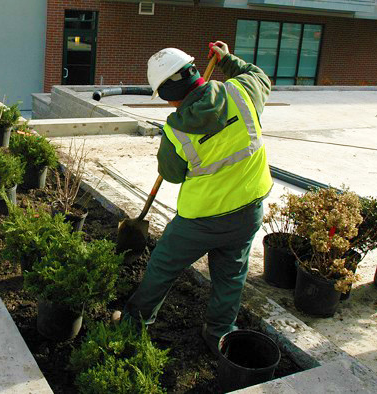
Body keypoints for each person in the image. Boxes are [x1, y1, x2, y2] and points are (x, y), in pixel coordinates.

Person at [117, 41, 273, 356]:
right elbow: (259, 76)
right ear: (196, 71)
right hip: (249, 209)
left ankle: (134, 325)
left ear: (164, 94)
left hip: (201, 220)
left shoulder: (176, 130)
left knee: (162, 266)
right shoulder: (241, 91)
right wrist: (227, 60)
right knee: (230, 274)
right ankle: (219, 334)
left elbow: (172, 174)